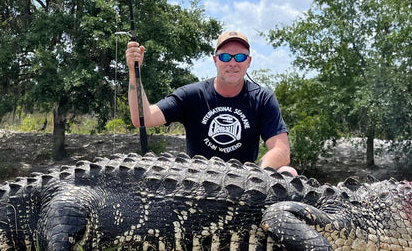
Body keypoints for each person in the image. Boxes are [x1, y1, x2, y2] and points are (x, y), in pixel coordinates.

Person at [126, 29, 297, 176]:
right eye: (224, 57)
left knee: (288, 172)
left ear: (248, 61)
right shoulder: (192, 94)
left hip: (246, 184)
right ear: (215, 60)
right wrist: (135, 72)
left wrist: (255, 175)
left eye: (239, 57)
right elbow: (143, 118)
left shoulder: (263, 98)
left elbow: (281, 151)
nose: (232, 63)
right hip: (197, 181)